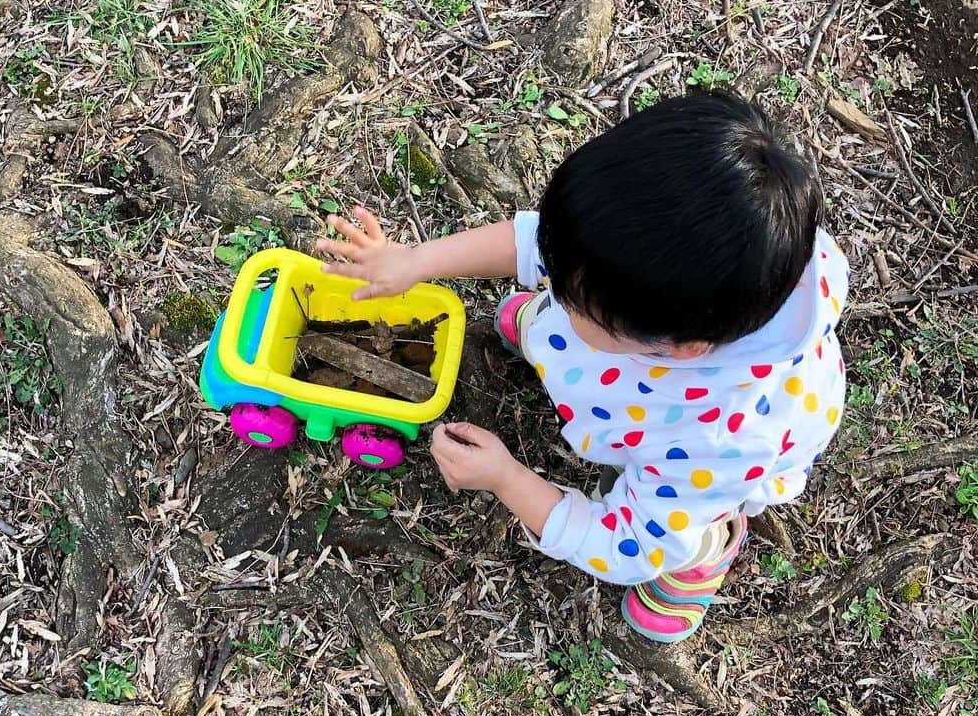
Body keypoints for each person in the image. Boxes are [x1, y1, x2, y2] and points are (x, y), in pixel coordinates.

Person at [316, 93, 848, 643]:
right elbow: (543, 245)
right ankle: (565, 348)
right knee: (575, 305)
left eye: (576, 303)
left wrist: (506, 478)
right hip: (642, 357)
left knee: (687, 530)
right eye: (559, 275)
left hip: (712, 462)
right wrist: (417, 260)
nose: (551, 280)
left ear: (680, 347)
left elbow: (624, 542)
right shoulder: (697, 255)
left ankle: (707, 553)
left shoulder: (708, 442)